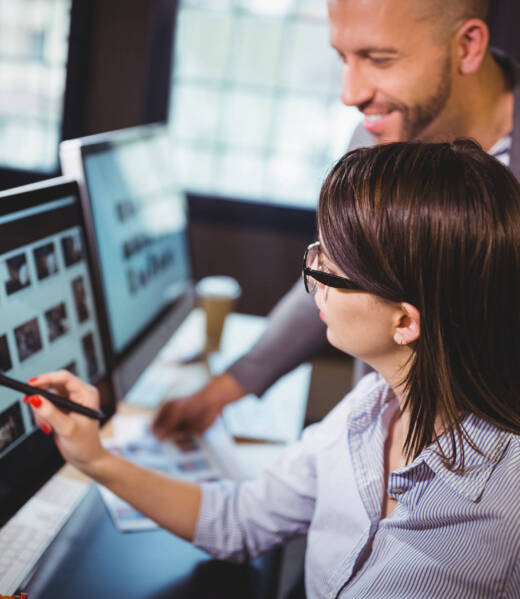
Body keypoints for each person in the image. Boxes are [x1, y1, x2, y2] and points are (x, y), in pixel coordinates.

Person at [28, 141, 520, 597]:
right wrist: (93, 458)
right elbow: (242, 522)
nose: (311, 272)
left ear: (404, 321)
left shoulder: (507, 510)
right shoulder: (367, 412)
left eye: (332, 264)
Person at [152, 0, 520, 439]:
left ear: (468, 47)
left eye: (378, 59)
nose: (351, 94)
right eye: (344, 58)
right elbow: (343, 277)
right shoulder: (376, 134)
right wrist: (225, 390)